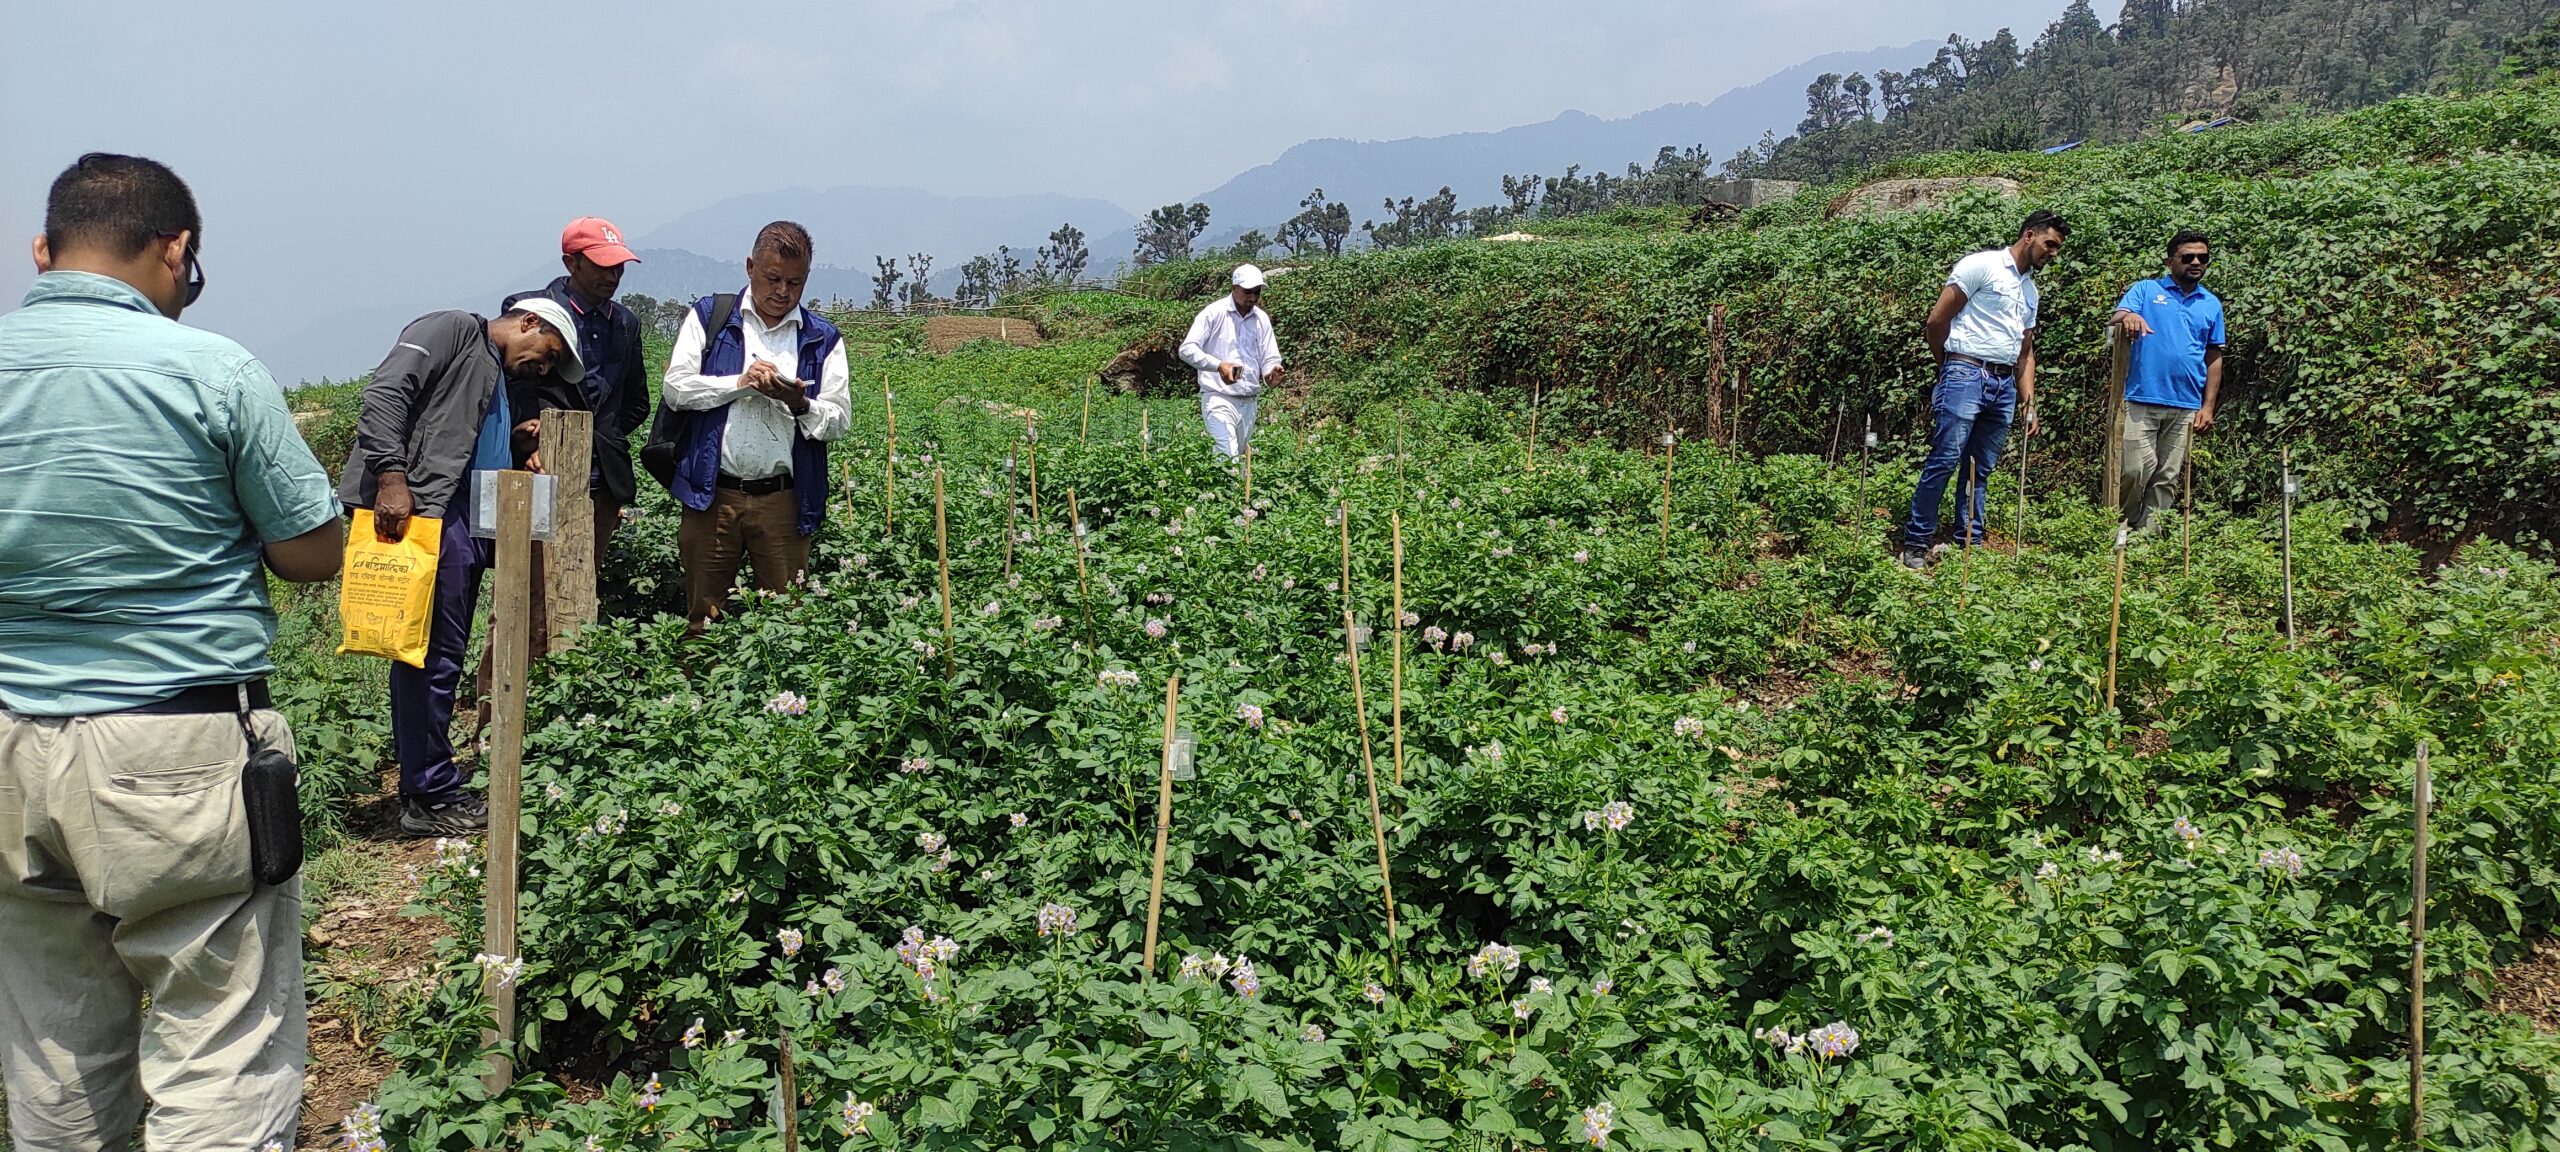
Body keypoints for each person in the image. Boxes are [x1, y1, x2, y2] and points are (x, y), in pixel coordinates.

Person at [0, 153, 341, 1149]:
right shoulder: (210, 369)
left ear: (43, 250)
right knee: (221, 1039)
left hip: (14, 742)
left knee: (53, 1047)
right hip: (180, 748)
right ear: (176, 251)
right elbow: (310, 550)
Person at [339, 297, 581, 836]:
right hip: (428, 511)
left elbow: (456, 434)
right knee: (429, 656)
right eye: (545, 353)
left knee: (436, 653)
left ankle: (427, 783)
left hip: (461, 515)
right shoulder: (451, 328)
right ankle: (427, 795)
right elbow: (386, 394)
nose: (542, 367)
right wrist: (391, 477)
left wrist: (510, 442)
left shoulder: (490, 365)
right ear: (528, 322)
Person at [662, 221, 850, 635]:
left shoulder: (822, 338)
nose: (782, 291)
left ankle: (773, 698)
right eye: (773, 278)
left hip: (783, 500)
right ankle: (699, 697)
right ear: (750, 267)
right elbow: (676, 388)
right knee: (703, 620)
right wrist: (741, 384)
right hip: (713, 495)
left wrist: (798, 402)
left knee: (786, 623)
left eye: (794, 282)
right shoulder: (711, 317)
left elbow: (839, 420)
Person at [1899, 209, 2066, 570]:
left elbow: (2026, 353)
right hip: (1966, 371)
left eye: (2057, 248)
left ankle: (1968, 544)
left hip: (2004, 383)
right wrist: (1949, 367)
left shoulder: (2030, 290)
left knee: (1980, 468)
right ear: (2028, 236)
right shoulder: (1982, 265)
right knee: (1945, 459)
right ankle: (1916, 542)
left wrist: (2029, 402)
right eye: (2049, 244)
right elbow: (1936, 321)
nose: (2052, 253)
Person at [503, 217, 647, 570]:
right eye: (602, 266)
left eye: (618, 268)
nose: (612, 276)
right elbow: (511, 385)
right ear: (572, 262)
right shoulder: (530, 311)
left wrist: (602, 438)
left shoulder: (625, 324)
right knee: (526, 580)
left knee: (581, 578)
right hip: (539, 472)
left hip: (601, 482)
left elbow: (636, 403)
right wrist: (530, 437)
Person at [2111, 229, 2225, 531]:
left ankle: (2147, 541)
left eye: (2203, 257)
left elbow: (2214, 356)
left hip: (2186, 404)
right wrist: (2129, 318)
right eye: (2188, 257)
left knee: (2167, 477)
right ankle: (2122, 527)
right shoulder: (2147, 291)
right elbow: (2118, 315)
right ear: (2170, 261)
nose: (2196, 262)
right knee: (2135, 469)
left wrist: (2208, 406)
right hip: (2141, 397)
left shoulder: (2211, 304)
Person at [1179, 264, 1286, 458]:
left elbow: (1270, 356)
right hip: (1219, 398)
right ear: (1234, 287)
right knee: (1227, 456)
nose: (1253, 298)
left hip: (1249, 402)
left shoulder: (1261, 319)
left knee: (1239, 457)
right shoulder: (1214, 313)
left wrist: (1271, 374)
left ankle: (1226, 488)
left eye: (1257, 292)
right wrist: (1218, 365)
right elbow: (1187, 350)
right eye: (1247, 292)